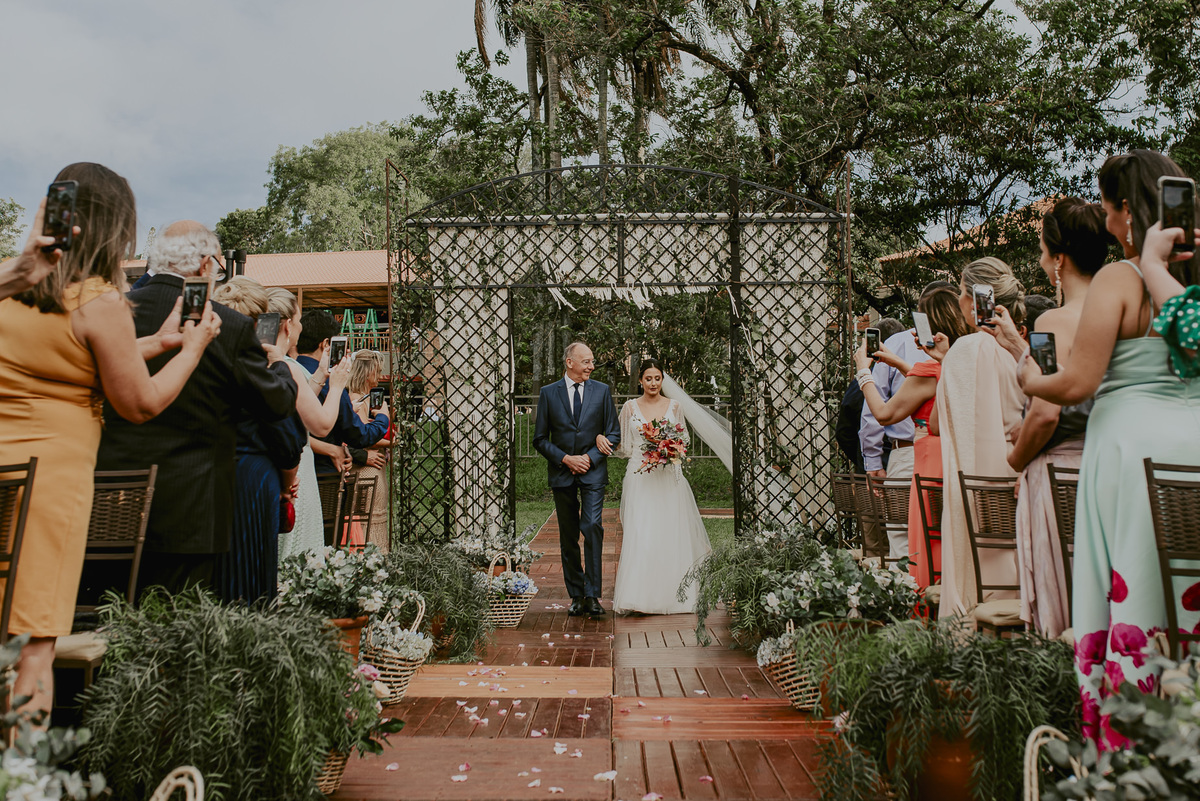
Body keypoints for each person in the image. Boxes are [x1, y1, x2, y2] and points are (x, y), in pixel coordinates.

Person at [0, 164, 220, 717]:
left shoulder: (14, 289)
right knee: (33, 646)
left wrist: (153, 342)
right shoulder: (100, 302)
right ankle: (23, 780)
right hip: (47, 488)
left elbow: (64, 360)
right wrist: (189, 348)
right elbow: (139, 403)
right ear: (118, 228)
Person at [1021, 150, 1200, 746]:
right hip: (1192, 441)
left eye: (1107, 209)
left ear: (1127, 208)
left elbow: (1077, 384)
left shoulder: (1120, 279)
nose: (1106, 223)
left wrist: (1028, 378)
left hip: (1130, 450)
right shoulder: (1191, 277)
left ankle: (1129, 731)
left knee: (1132, 587)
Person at [96, 221, 298, 596]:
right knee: (179, 627)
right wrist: (281, 365)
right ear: (206, 265)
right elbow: (277, 404)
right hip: (191, 505)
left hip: (110, 501)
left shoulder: (110, 313)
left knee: (104, 620)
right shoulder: (227, 326)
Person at [1007, 199, 1111, 637]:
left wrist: (1015, 458)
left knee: (1064, 597)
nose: (1040, 259)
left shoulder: (1051, 320)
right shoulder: (1124, 315)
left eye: (1042, 250)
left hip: (1061, 481)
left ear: (1060, 259)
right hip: (1109, 469)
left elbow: (1047, 413)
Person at [856, 286, 971, 587]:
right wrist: (901, 365)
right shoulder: (961, 361)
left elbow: (882, 413)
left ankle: (913, 610)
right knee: (948, 539)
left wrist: (863, 372)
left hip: (924, 461)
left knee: (908, 546)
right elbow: (931, 381)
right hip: (958, 459)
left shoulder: (929, 369)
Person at [935, 257, 1027, 621]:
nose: (957, 301)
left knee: (980, 573)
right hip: (1021, 479)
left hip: (979, 486)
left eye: (959, 291)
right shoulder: (1018, 349)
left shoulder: (968, 349)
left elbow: (947, 425)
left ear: (975, 302)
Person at [604, 360, 713, 614]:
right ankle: (638, 597)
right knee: (640, 532)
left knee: (670, 532)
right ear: (640, 381)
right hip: (640, 475)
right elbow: (621, 444)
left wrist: (669, 449)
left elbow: (683, 439)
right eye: (648, 378)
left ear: (662, 380)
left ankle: (676, 595)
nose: (653, 383)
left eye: (657, 378)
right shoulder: (630, 408)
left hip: (667, 477)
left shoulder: (674, 406)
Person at [532, 342, 620, 618]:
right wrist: (566, 459)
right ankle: (577, 595)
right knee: (568, 535)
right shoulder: (548, 393)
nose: (591, 366)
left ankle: (593, 594)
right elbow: (539, 439)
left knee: (592, 525)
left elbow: (613, 434)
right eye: (586, 361)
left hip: (593, 472)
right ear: (569, 362)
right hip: (562, 473)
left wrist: (590, 458)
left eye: (592, 361)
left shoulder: (602, 391)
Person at [269, 288, 352, 559]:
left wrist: (319, 374)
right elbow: (321, 425)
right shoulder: (287, 366)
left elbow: (294, 403)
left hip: (270, 465)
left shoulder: (265, 360)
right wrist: (337, 384)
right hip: (295, 468)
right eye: (299, 319)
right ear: (287, 325)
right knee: (298, 547)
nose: (301, 327)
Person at [857, 313, 934, 558]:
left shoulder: (898, 343)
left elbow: (875, 409)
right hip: (949, 456)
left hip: (906, 454)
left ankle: (909, 592)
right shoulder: (963, 344)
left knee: (902, 540)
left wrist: (873, 462)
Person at [345, 351, 391, 551]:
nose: (380, 374)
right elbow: (363, 437)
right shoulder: (356, 398)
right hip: (365, 473)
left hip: (375, 469)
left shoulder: (365, 399)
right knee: (370, 526)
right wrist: (391, 441)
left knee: (375, 522)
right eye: (377, 370)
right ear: (367, 371)